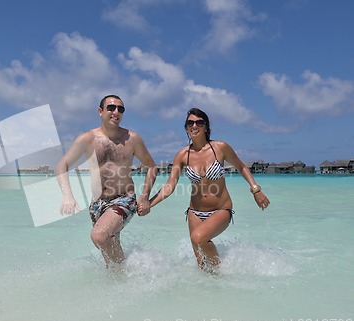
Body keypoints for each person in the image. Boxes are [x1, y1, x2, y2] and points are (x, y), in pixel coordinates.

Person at [142, 107, 270, 271]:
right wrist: (149, 203)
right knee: (202, 265)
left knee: (198, 238)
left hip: (221, 209)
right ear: (186, 127)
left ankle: (222, 274)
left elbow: (241, 167)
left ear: (206, 126)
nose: (194, 126)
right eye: (190, 123)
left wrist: (256, 189)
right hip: (194, 212)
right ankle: (210, 291)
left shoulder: (220, 148)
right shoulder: (182, 155)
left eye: (199, 122)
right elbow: (170, 185)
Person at [56, 94, 157, 268]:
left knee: (99, 236)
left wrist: (144, 197)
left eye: (120, 109)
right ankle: (120, 284)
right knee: (108, 252)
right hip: (97, 203)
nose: (116, 112)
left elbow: (152, 167)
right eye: (111, 107)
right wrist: (67, 196)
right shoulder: (87, 139)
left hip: (123, 199)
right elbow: (61, 165)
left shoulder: (132, 139)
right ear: (100, 111)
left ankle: (124, 272)